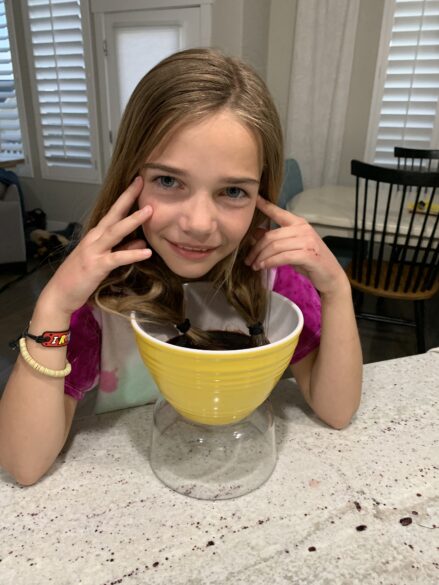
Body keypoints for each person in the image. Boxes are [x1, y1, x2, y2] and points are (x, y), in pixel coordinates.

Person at [0, 48, 362, 486]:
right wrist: (55, 303)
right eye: (169, 181)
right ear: (130, 178)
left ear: (262, 195)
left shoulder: (273, 280)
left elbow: (337, 410)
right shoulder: (103, 301)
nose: (198, 224)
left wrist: (337, 290)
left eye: (232, 191)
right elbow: (24, 464)